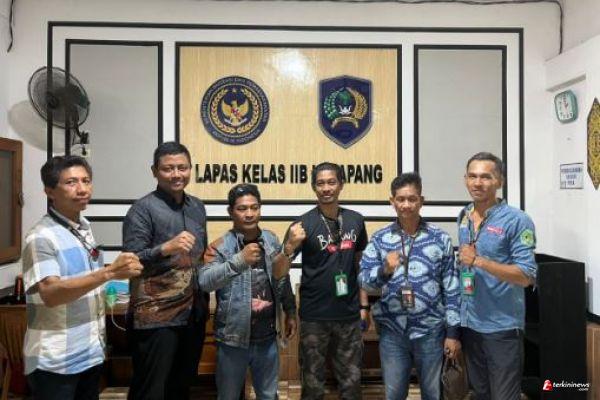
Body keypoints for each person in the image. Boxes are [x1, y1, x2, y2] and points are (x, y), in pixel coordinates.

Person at [22, 155, 143, 400]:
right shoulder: (41, 236)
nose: (82, 189)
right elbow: (51, 294)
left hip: (89, 354)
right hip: (56, 361)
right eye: (71, 182)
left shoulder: (82, 226)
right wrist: (109, 272)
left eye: (86, 181)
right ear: (49, 191)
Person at [359, 173, 461, 400]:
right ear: (392, 201)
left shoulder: (440, 239)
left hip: (431, 330)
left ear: (421, 201)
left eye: (412, 199)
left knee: (433, 394)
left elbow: (452, 287)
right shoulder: (380, 239)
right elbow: (364, 281)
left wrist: (453, 333)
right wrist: (385, 269)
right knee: (394, 394)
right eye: (401, 199)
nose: (406, 205)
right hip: (392, 331)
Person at [275, 162, 369, 400]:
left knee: (351, 385)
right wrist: (289, 246)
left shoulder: (356, 220)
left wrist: (364, 306)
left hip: (348, 316)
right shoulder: (302, 225)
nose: (326, 188)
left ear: (341, 185)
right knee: (312, 386)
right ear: (314, 187)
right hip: (314, 317)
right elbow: (278, 271)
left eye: (331, 182)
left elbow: (360, 267)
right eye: (320, 183)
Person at [123, 142, 209, 400]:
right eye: (168, 169)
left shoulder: (197, 207)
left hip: (193, 313)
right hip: (157, 316)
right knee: (151, 389)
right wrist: (165, 248)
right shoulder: (142, 209)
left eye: (182, 168)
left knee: (181, 386)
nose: (176, 174)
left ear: (191, 169)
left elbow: (199, 258)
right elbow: (131, 261)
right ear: (154, 171)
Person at [198, 183, 299, 400]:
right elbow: (205, 282)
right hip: (233, 340)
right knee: (228, 396)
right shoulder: (220, 246)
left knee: (269, 395)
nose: (249, 214)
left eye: (254, 207)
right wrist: (239, 261)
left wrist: (290, 311)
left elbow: (282, 278)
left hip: (268, 337)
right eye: (242, 208)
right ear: (231, 212)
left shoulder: (271, 240)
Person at [458, 152, 537, 400]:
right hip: (470, 324)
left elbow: (526, 275)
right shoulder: (464, 215)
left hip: (502, 327)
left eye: (485, 177)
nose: (477, 183)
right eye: (472, 176)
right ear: (465, 179)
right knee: (480, 394)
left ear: (499, 181)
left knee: (504, 396)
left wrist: (479, 261)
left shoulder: (518, 220)